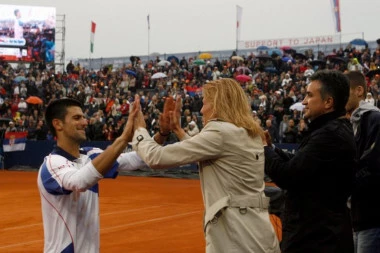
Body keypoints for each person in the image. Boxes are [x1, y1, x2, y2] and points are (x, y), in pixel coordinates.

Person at [131, 78, 280, 253]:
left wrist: (139, 130)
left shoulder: (219, 131)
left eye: (204, 103)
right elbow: (213, 154)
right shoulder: (250, 132)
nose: (201, 110)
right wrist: (178, 130)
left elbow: (156, 157)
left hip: (236, 237)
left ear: (217, 104)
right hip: (259, 232)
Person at [37, 98, 146, 253]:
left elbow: (135, 160)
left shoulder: (90, 154)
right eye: (77, 118)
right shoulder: (51, 164)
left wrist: (161, 134)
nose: (84, 122)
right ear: (58, 124)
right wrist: (122, 139)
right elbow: (79, 182)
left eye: (83, 117)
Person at [263, 70, 355, 253]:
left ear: (328, 102)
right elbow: (300, 164)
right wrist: (272, 149)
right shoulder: (330, 130)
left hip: (316, 239)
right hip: (318, 235)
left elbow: (288, 175)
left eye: (310, 95)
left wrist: (262, 149)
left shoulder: (329, 135)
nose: (304, 102)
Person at [345, 71, 380, 253]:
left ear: (359, 91)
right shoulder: (351, 122)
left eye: (345, 92)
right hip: (358, 217)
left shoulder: (374, 119)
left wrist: (346, 183)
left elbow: (372, 165)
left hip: (372, 217)